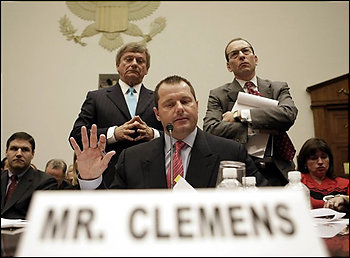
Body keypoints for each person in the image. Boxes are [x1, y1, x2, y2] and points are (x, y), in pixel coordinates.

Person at [70, 75, 270, 190]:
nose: (180, 108)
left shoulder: (231, 152)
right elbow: (112, 213)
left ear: (197, 106)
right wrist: (90, 179)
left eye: (185, 101)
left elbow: (266, 199)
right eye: (170, 104)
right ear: (157, 114)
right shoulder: (131, 158)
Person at [203, 37, 298, 186]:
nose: (241, 55)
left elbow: (288, 114)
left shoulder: (277, 88)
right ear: (229, 66)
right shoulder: (218, 95)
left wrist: (240, 115)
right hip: (241, 170)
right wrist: (256, 127)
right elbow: (211, 129)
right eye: (234, 54)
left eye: (246, 51)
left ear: (255, 59)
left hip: (278, 169)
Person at [69, 42, 162, 188]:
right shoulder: (96, 97)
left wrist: (153, 134)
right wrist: (114, 134)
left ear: (147, 69)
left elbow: (174, 136)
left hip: (150, 180)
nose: (134, 64)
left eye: (140, 60)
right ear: (118, 65)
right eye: (128, 59)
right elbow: (76, 136)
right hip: (107, 179)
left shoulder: (158, 99)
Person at [1, 132, 58, 219]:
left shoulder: (45, 182)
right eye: (14, 149)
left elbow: (43, 218)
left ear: (32, 154)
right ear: (6, 152)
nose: (19, 154)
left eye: (25, 150)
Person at [297, 137, 349, 212]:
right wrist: (339, 205)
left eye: (324, 157)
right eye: (314, 158)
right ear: (305, 162)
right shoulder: (298, 182)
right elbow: (304, 203)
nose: (320, 162)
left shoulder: (344, 183)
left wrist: (343, 198)